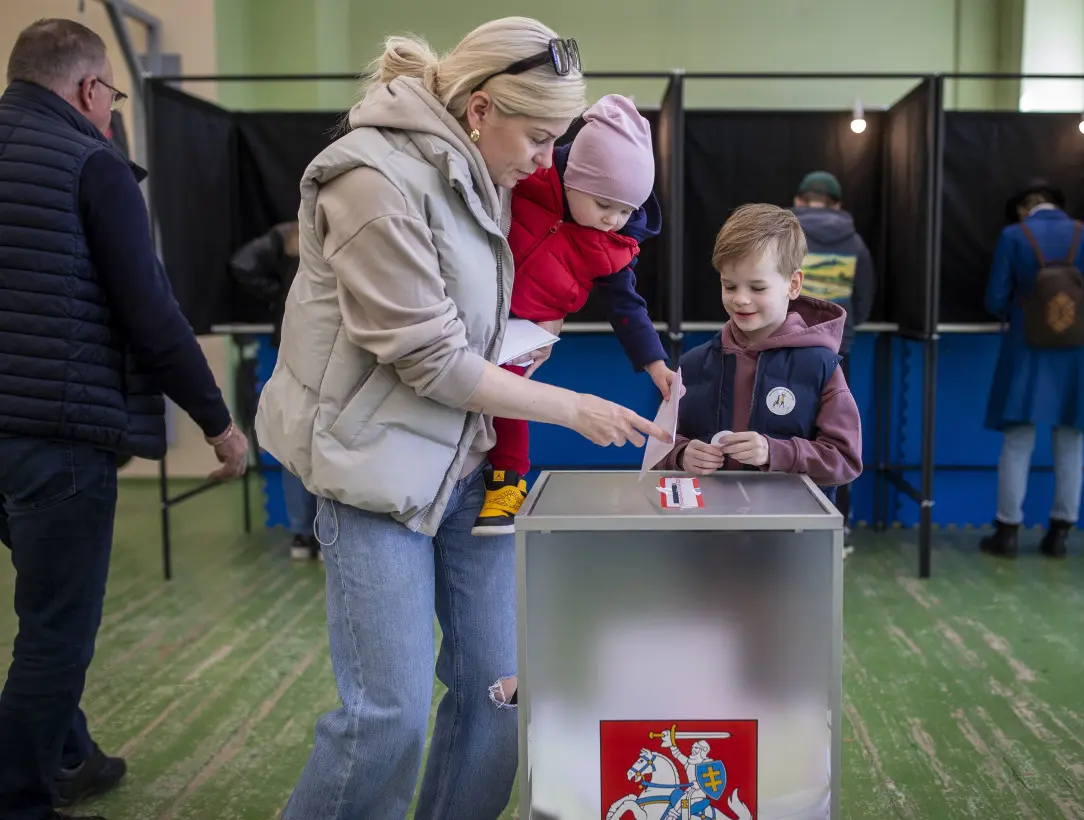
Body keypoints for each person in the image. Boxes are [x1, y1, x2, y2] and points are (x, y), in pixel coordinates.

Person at [253, 18, 669, 819]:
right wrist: (573, 408)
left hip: (472, 467)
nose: (546, 164)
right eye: (540, 138)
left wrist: (518, 341)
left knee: (501, 694)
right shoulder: (368, 181)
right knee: (387, 717)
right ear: (480, 109)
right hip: (378, 472)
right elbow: (432, 359)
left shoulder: (491, 172)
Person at [0, 18, 249, 820]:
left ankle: (71, 755)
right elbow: (150, 311)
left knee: (45, 605)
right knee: (56, 629)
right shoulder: (91, 164)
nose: (109, 107)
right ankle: (19, 794)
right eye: (108, 92)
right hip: (56, 436)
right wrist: (219, 422)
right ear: (86, 90)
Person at [474, 93, 673, 535]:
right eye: (604, 205)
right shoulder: (526, 177)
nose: (613, 220)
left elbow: (626, 304)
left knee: (511, 399)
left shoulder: (612, 248)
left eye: (626, 211)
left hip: (522, 332)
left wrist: (655, 362)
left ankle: (507, 482)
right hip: (474, 310)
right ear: (572, 180)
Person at [658, 204, 862, 499]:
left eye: (757, 288)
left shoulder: (821, 367)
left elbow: (845, 460)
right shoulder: (693, 365)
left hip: (789, 535)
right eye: (729, 286)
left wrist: (776, 452)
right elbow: (659, 447)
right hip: (706, 532)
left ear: (793, 285)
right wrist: (680, 455)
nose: (740, 299)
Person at [979, 180, 1084, 559]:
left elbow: (995, 297)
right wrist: (1081, 320)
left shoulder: (1014, 235)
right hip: (1077, 349)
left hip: (1027, 347)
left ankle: (1006, 533)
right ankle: (1060, 534)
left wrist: (1021, 316)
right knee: (1071, 440)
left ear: (1024, 208)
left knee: (1018, 440)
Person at [229, 222, 320, 560]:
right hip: (333, 353)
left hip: (294, 348)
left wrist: (276, 294)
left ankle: (301, 535)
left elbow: (242, 264)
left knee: (294, 445)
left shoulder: (290, 235)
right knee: (330, 442)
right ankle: (324, 534)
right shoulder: (347, 228)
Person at [791, 170, 874, 540]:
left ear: (799, 200)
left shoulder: (784, 234)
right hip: (836, 353)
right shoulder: (854, 241)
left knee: (783, 435)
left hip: (784, 349)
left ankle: (785, 524)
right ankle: (837, 526)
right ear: (837, 205)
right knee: (836, 439)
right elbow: (864, 299)